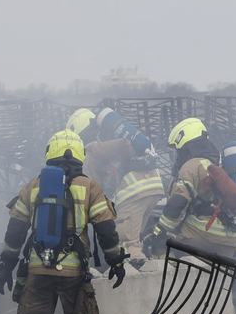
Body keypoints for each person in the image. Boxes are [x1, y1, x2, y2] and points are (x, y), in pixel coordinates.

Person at [0, 130, 128, 314]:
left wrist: (4, 267)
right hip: (74, 275)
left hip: (37, 271)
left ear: (49, 153)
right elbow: (106, 231)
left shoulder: (32, 186)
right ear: (80, 155)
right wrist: (116, 262)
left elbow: (14, 233)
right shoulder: (90, 187)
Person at [141, 118, 236, 258]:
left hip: (204, 234)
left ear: (186, 147)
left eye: (178, 150)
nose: (177, 155)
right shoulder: (217, 164)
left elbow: (177, 204)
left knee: (159, 242)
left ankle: (171, 276)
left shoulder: (191, 166)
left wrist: (158, 231)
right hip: (230, 241)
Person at [67, 108, 165, 256]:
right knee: (136, 237)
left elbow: (93, 187)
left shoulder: (92, 149)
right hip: (153, 186)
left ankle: (137, 276)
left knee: (126, 242)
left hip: (133, 192)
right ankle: (152, 269)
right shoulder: (107, 138)